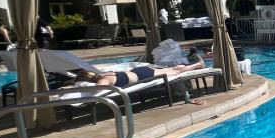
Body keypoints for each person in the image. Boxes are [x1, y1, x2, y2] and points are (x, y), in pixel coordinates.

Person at [74, 60, 207, 89]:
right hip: (140, 71)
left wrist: (79, 87)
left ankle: (196, 65)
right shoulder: (103, 74)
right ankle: (196, 64)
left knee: (174, 71)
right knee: (172, 70)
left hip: (142, 76)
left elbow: (96, 92)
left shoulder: (103, 81)